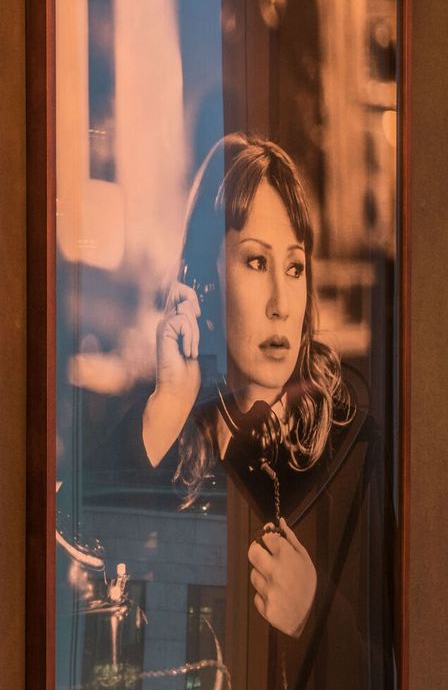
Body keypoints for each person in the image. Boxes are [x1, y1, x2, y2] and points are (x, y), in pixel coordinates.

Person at [130, 133, 392, 687]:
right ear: (204, 282)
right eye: (255, 261)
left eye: (294, 267)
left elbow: (394, 665)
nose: (280, 303)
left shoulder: (354, 447)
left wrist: (314, 613)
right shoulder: (167, 425)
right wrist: (168, 407)